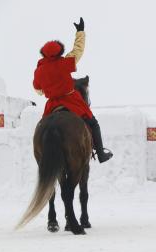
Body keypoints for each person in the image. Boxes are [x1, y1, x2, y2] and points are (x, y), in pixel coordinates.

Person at [33, 17, 113, 163]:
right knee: (93, 123)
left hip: (52, 104)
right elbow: (78, 50)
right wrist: (80, 32)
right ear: (59, 52)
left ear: (44, 54)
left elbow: (38, 90)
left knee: (43, 127)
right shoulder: (64, 62)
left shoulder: (39, 71)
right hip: (71, 100)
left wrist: (49, 89)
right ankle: (101, 154)